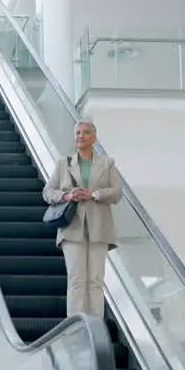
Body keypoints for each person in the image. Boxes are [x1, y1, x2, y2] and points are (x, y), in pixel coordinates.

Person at [42, 121, 122, 318]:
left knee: (95, 280)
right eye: (77, 133)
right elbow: (47, 191)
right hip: (72, 227)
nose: (80, 136)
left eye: (86, 133)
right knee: (76, 279)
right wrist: (67, 196)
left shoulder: (107, 163)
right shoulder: (65, 163)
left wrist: (93, 194)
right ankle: (76, 328)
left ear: (94, 138)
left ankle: (96, 328)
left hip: (99, 228)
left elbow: (116, 193)